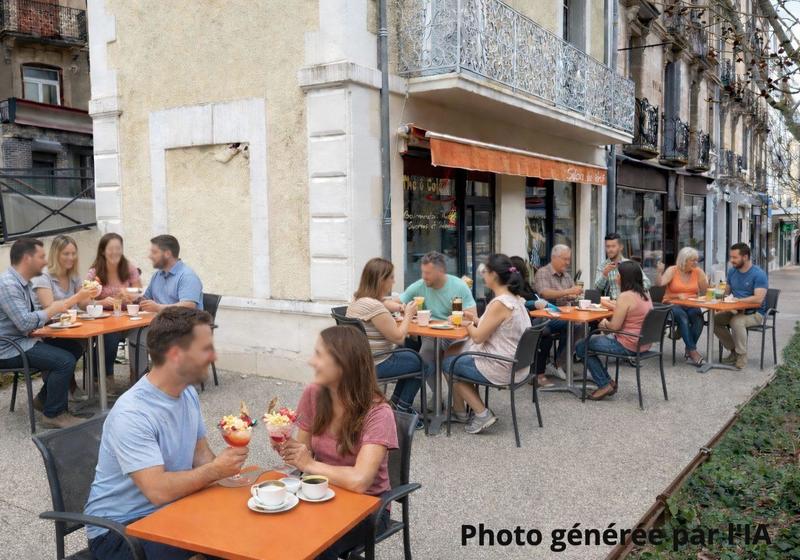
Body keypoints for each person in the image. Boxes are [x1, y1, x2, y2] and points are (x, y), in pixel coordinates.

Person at [84, 307, 247, 560]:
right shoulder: (133, 413)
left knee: (248, 522)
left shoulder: (186, 392)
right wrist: (217, 471)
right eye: (205, 349)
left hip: (170, 511)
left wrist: (234, 477)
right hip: (120, 533)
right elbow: (157, 491)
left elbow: (201, 455)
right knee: (228, 541)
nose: (213, 356)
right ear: (176, 355)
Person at [280, 326, 398, 560]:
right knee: (275, 532)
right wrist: (284, 444)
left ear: (343, 363)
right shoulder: (313, 393)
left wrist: (309, 465)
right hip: (318, 494)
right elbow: (301, 452)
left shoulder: (378, 413)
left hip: (367, 507)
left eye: (319, 355)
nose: (311, 362)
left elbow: (360, 481)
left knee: (310, 549)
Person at [0, 238, 97, 428]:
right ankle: (54, 414)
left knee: (73, 347)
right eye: (41, 257)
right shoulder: (8, 285)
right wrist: (58, 307)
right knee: (64, 360)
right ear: (28, 259)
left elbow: (31, 319)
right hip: (9, 348)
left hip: (26, 339)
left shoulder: (23, 283)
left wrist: (51, 316)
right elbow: (24, 322)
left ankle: (44, 399)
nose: (45, 261)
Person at [442, 254, 530, 434]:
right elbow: (493, 324)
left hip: (502, 366)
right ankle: (470, 409)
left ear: (494, 275)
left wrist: (466, 324)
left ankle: (481, 414)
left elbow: (478, 338)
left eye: (485, 272)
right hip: (518, 365)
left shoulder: (499, 303)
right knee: (460, 361)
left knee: (450, 364)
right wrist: (472, 318)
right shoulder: (515, 299)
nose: (483, 275)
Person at [346, 258, 429, 427]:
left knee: (410, 353)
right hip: (377, 362)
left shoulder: (357, 300)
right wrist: (408, 314)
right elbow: (398, 337)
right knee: (424, 364)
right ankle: (402, 409)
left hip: (361, 361)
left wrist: (399, 308)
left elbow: (383, 303)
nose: (394, 281)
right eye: (391, 277)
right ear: (381, 280)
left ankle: (395, 406)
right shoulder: (375, 307)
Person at [399, 252, 476, 408]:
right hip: (432, 336)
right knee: (424, 361)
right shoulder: (420, 285)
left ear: (440, 272)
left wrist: (459, 317)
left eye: (427, 273)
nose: (423, 276)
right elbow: (398, 301)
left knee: (450, 363)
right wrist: (401, 307)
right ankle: (437, 395)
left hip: (457, 336)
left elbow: (473, 316)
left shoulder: (458, 286)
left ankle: (459, 407)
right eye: (422, 272)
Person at [31, 234, 97, 402]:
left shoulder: (72, 275)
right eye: (66, 254)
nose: (71, 257)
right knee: (71, 349)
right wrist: (77, 297)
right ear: (56, 254)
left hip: (69, 328)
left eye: (73, 253)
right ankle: (63, 387)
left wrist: (92, 294)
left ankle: (58, 389)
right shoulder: (43, 276)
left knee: (85, 342)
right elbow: (49, 308)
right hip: (45, 330)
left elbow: (82, 304)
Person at [576, 261, 653, 401]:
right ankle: (608, 382)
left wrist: (604, 323)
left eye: (618, 275)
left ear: (625, 277)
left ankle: (604, 384)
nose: (616, 278)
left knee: (581, 346)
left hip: (628, 344)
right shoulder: (645, 293)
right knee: (590, 342)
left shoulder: (625, 296)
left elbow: (614, 327)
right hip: (643, 343)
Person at [86, 233, 143, 394]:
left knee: (139, 334)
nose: (115, 252)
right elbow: (83, 301)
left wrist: (131, 294)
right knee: (109, 336)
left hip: (128, 317)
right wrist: (101, 302)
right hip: (103, 320)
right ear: (103, 251)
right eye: (111, 249)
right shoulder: (95, 272)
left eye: (118, 248)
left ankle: (138, 376)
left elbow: (139, 291)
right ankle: (105, 377)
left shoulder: (129, 268)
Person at [714, 243, 768, 370]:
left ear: (745, 257)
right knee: (714, 320)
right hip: (735, 309)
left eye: (734, 257)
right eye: (730, 257)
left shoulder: (758, 274)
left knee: (736, 322)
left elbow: (759, 299)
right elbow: (726, 292)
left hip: (755, 313)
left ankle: (741, 355)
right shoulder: (732, 271)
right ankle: (733, 351)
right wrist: (718, 291)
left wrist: (740, 300)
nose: (731, 260)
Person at [533, 244, 582, 379]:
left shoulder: (566, 275)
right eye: (565, 259)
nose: (568, 262)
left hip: (565, 314)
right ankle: (559, 364)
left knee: (581, 325)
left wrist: (573, 295)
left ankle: (560, 362)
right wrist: (568, 292)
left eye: (569, 259)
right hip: (547, 316)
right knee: (575, 324)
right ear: (554, 257)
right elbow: (544, 293)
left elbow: (571, 293)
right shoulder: (543, 272)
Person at [655, 247, 709, 366]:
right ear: (684, 260)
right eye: (692, 260)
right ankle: (693, 352)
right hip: (672, 303)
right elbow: (660, 284)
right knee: (683, 318)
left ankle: (689, 349)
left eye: (696, 260)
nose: (696, 263)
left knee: (699, 319)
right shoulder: (673, 270)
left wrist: (705, 280)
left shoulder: (697, 271)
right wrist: (659, 272)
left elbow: (705, 291)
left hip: (691, 303)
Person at [139, 235, 203, 312]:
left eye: (154, 252)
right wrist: (133, 299)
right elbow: (146, 300)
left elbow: (188, 306)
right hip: (160, 321)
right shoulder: (157, 275)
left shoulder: (187, 276)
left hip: (183, 323)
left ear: (167, 254)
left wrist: (158, 308)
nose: (150, 256)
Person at [594, 232, 651, 300]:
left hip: (629, 302)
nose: (610, 249)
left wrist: (631, 291)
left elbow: (647, 283)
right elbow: (597, 289)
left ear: (621, 247)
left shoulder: (630, 265)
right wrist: (604, 274)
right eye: (608, 246)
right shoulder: (602, 266)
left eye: (613, 246)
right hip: (610, 304)